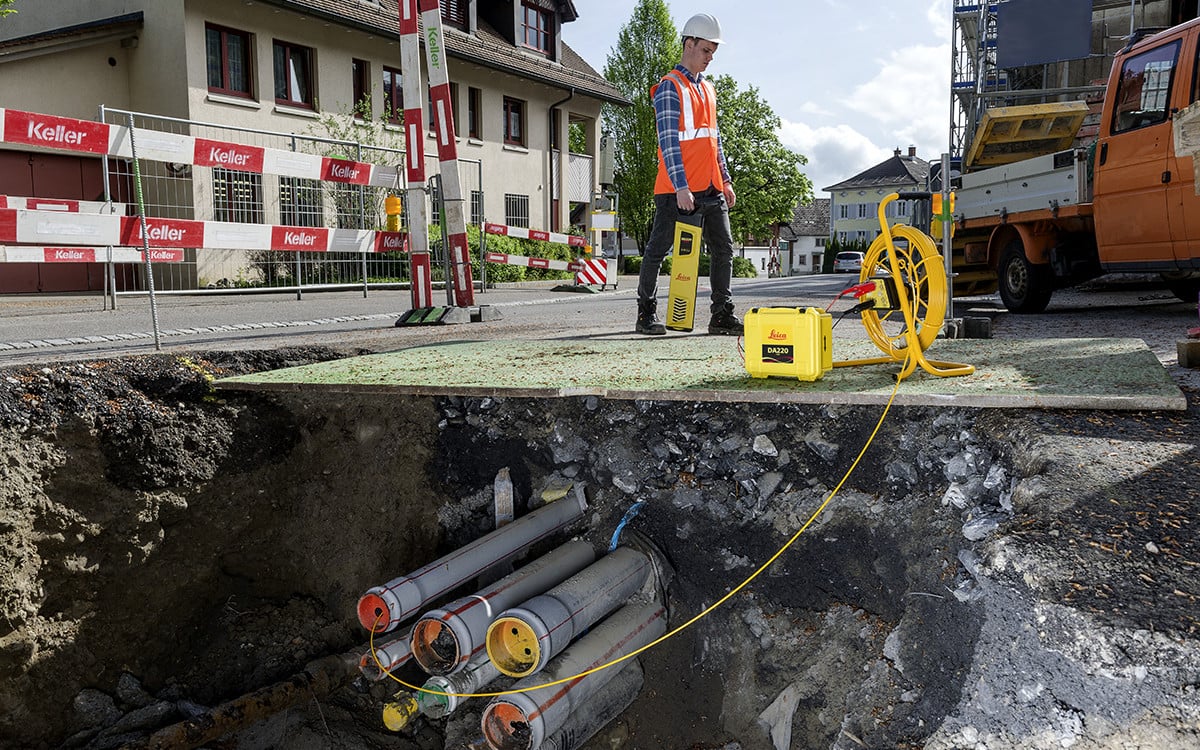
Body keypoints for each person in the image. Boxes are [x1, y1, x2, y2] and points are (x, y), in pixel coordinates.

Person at [636, 12, 741, 336]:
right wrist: (681, 187)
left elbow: (714, 140)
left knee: (724, 249)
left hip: (709, 188)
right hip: (675, 190)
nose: (710, 58)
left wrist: (724, 180)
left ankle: (721, 315)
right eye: (706, 50)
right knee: (657, 250)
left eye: (713, 52)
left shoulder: (708, 90)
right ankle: (646, 314)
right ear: (689, 43)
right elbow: (668, 143)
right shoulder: (670, 87)